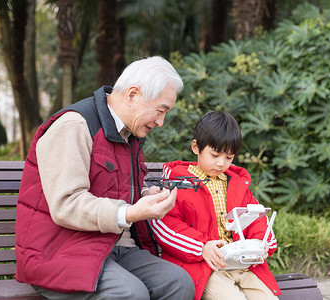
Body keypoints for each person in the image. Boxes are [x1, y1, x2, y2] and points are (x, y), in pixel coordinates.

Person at [15, 56, 195, 300]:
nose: (161, 122)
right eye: (160, 110)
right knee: (130, 294)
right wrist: (130, 213)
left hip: (112, 246)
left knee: (178, 283)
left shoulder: (128, 132)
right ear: (132, 95)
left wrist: (144, 195)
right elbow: (67, 204)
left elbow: (118, 187)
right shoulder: (74, 125)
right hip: (59, 251)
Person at [151, 111, 281, 300]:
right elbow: (165, 226)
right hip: (205, 268)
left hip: (242, 265)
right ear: (196, 147)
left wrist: (262, 242)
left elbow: (256, 217)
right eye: (215, 155)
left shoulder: (235, 184)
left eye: (229, 158)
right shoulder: (178, 183)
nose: (221, 163)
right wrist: (202, 246)